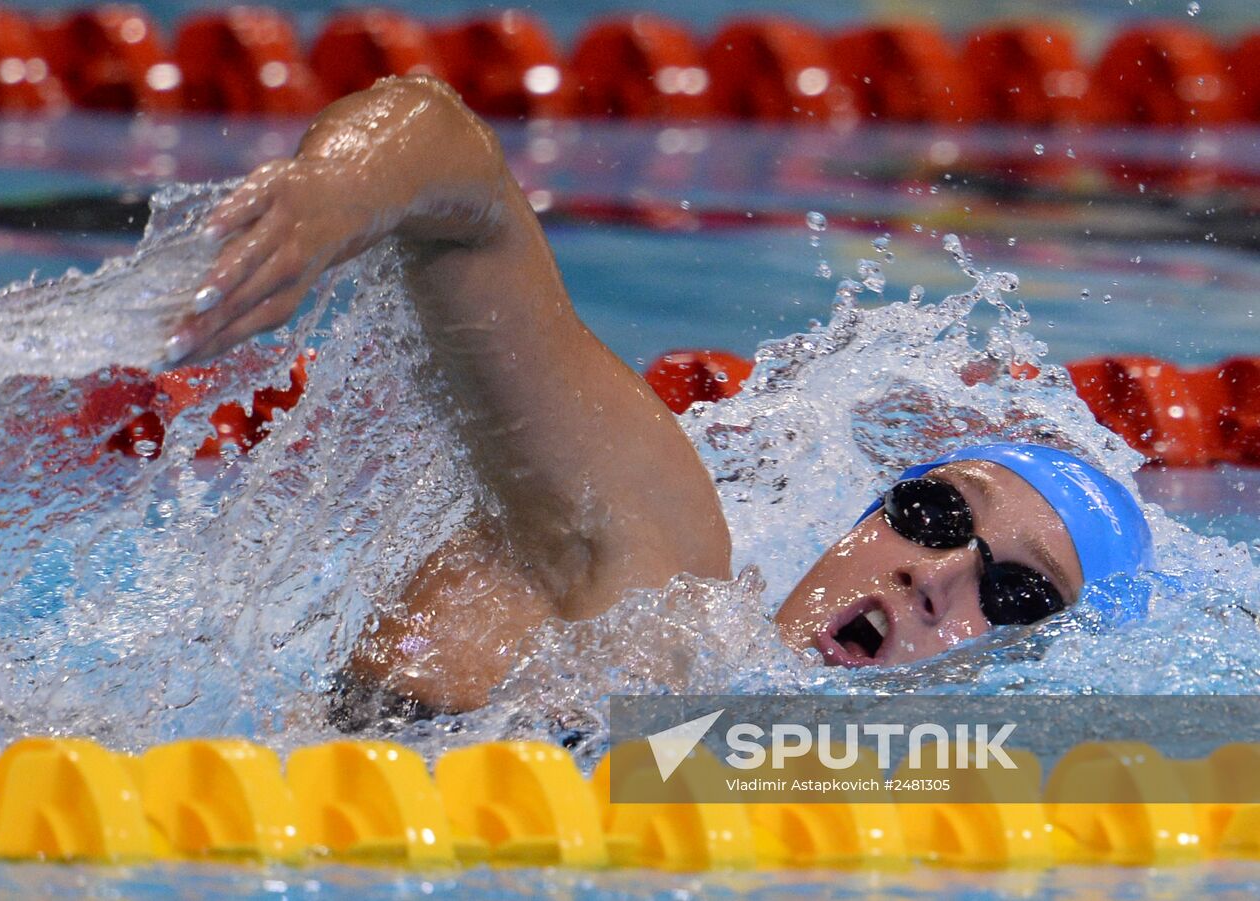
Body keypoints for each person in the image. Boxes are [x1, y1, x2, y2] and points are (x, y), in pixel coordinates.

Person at [163, 76, 1153, 714]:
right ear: (860, 524)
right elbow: (450, 164)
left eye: (1014, 593)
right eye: (933, 513)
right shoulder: (655, 586)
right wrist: (329, 197)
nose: (932, 577)